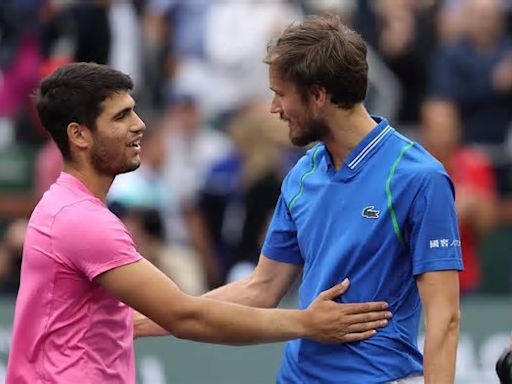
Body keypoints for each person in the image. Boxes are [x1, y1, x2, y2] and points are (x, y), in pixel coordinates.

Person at [5, 62, 393, 383]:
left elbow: (158, 315)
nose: (140, 125)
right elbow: (185, 315)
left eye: (135, 110)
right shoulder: (83, 221)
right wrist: (307, 324)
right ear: (79, 136)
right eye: (121, 116)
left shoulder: (65, 206)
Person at [137, 14, 463, 383]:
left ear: (318, 96)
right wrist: (148, 319)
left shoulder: (419, 177)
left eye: (280, 94)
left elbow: (445, 321)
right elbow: (260, 289)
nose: (273, 108)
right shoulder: (302, 174)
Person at [420, 98, 498, 295]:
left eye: (448, 128)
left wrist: (473, 206)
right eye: (437, 129)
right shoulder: (411, 168)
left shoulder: (475, 164)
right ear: (424, 130)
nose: (443, 136)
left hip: (465, 279)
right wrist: (452, 210)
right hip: (421, 279)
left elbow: (487, 225)